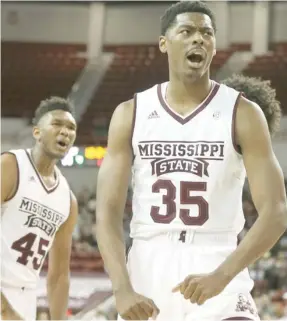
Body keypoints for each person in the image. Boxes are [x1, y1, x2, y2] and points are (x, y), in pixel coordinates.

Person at [95, 1, 287, 320]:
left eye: (206, 33)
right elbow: (107, 213)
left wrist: (223, 276)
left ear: (213, 47)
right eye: (186, 31)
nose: (198, 38)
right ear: (164, 43)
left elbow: (277, 211)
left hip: (218, 256)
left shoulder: (243, 113)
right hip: (149, 262)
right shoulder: (131, 113)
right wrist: (121, 289)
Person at [1, 97, 78, 320]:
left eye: (71, 128)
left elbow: (59, 274)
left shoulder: (67, 199)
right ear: (37, 132)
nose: (65, 132)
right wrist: (4, 308)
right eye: (57, 124)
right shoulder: (10, 166)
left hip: (25, 298)